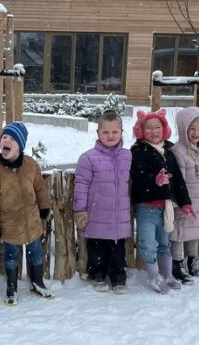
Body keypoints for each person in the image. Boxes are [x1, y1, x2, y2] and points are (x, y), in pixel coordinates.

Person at [0, 121, 53, 306]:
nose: (6, 140)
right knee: (12, 258)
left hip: (32, 223)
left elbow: (40, 188)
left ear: (20, 145)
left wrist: (44, 206)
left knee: (36, 254)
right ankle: (11, 287)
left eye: (12, 138)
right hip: (10, 225)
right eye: (4, 137)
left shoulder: (30, 164)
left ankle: (37, 282)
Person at [129, 109, 192, 293]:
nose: (154, 131)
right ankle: (154, 276)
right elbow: (138, 177)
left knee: (164, 244)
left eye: (157, 127)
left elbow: (178, 180)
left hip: (166, 208)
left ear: (164, 129)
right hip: (146, 207)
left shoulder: (169, 150)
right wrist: (154, 181)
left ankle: (167, 275)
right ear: (141, 131)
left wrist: (185, 202)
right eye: (148, 128)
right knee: (148, 244)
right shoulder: (138, 151)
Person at [74, 110, 133, 293]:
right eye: (105, 132)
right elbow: (81, 185)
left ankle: (118, 277)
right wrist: (80, 209)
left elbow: (132, 183)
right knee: (97, 248)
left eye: (114, 132)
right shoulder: (88, 158)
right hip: (97, 213)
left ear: (121, 133)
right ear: (98, 133)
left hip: (119, 214)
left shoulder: (128, 156)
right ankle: (97, 275)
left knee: (117, 249)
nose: (110, 136)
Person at [170, 107, 199, 282]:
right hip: (185, 201)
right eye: (192, 129)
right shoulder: (178, 151)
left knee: (194, 233)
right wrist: (179, 202)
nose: (196, 133)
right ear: (183, 129)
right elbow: (177, 180)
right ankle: (177, 262)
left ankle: (192, 261)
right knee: (180, 233)